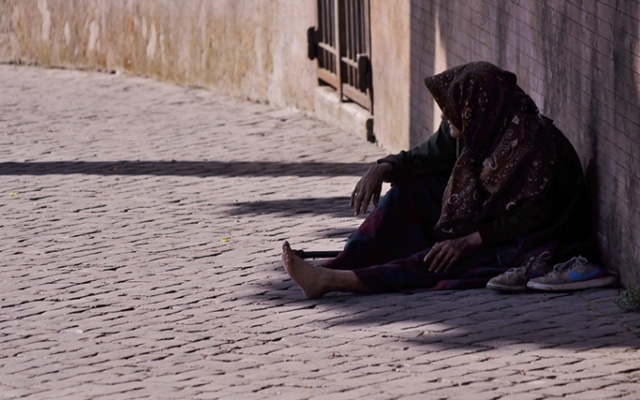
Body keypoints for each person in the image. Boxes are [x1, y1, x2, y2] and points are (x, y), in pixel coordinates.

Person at [282, 61, 611, 299]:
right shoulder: (477, 125)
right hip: (488, 216)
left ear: (479, 109)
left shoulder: (535, 149)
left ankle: (336, 280)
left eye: (452, 111)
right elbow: (425, 156)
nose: (445, 117)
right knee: (408, 191)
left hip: (530, 236)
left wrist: (468, 241)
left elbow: (530, 217)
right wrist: (384, 167)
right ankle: (344, 262)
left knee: (445, 259)